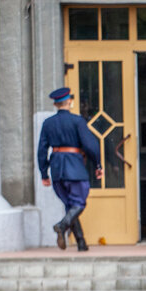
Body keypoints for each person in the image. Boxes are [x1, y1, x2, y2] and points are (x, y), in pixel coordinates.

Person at [36, 87, 102, 251]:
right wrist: (98, 164)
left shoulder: (48, 123)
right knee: (79, 203)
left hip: (57, 170)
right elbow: (90, 145)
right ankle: (62, 225)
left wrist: (44, 173)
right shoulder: (77, 121)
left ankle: (81, 242)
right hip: (75, 167)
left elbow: (42, 150)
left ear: (56, 104)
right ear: (69, 102)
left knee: (70, 205)